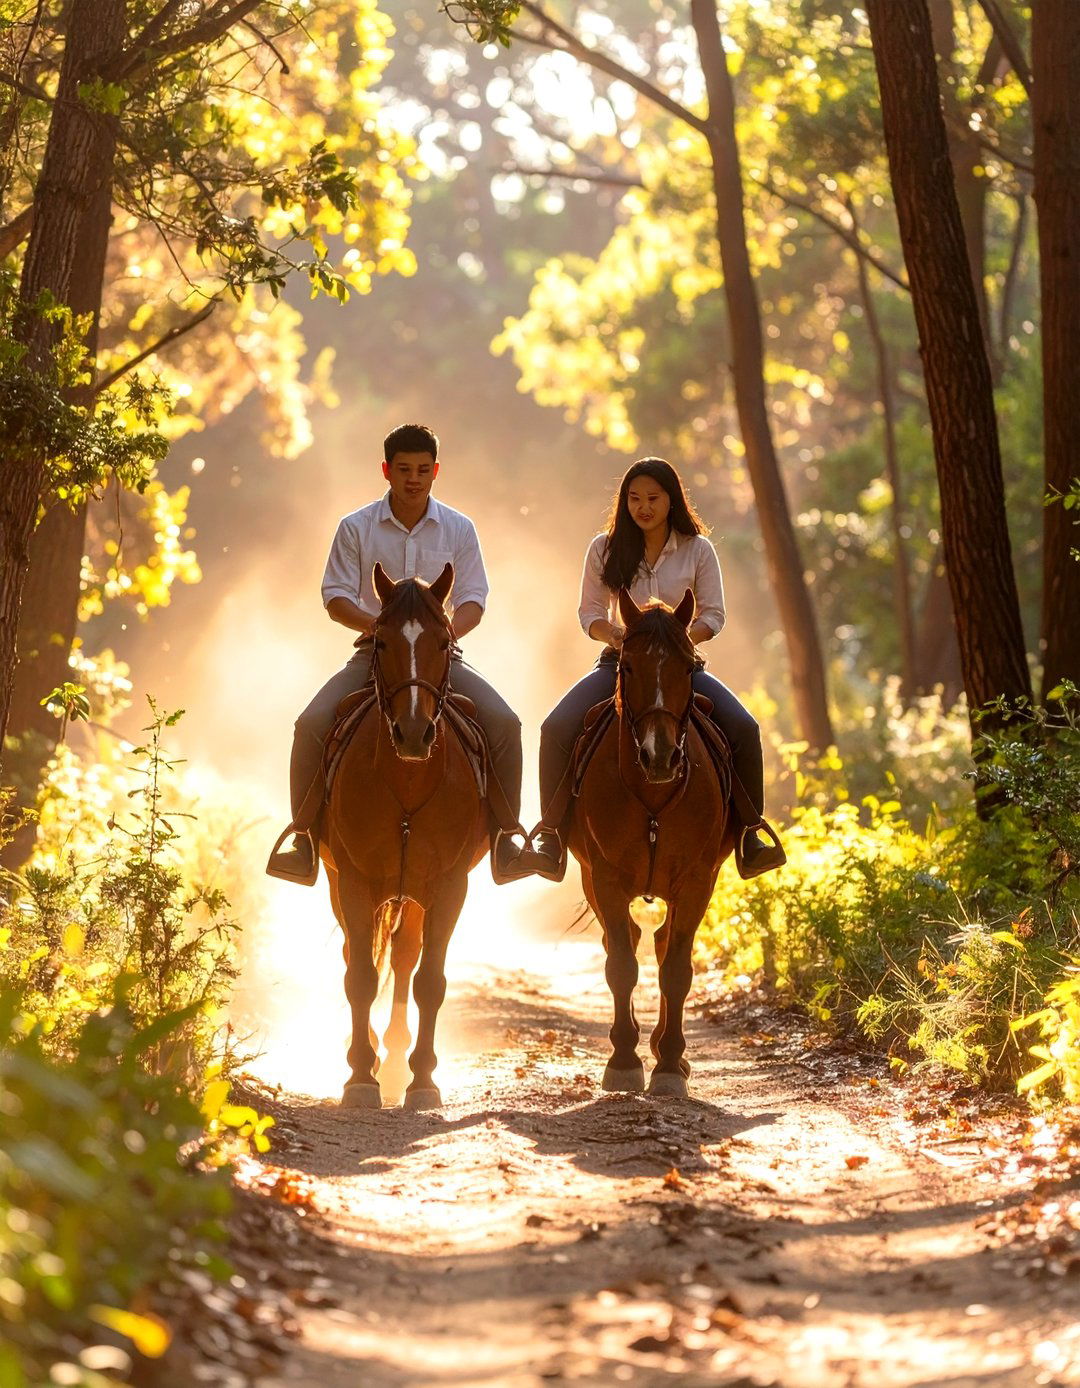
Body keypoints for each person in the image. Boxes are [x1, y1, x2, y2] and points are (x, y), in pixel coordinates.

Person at [266, 422, 527, 885]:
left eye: (423, 469)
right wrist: (382, 630)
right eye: (404, 469)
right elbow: (335, 597)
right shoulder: (356, 527)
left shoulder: (459, 528)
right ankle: (303, 840)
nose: (414, 478)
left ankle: (507, 839)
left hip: (437, 661)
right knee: (309, 724)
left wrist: (443, 635)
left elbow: (473, 599)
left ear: (436, 471)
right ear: (386, 470)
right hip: (373, 655)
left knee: (505, 722)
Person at [524, 457, 785, 880]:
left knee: (744, 727)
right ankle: (550, 836)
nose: (643, 507)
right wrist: (617, 638)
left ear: (671, 500)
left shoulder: (698, 549)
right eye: (634, 498)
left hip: (682, 667)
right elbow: (589, 612)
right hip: (621, 665)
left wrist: (678, 643)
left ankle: (749, 835)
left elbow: (714, 614)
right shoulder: (603, 548)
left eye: (652, 498)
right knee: (556, 727)